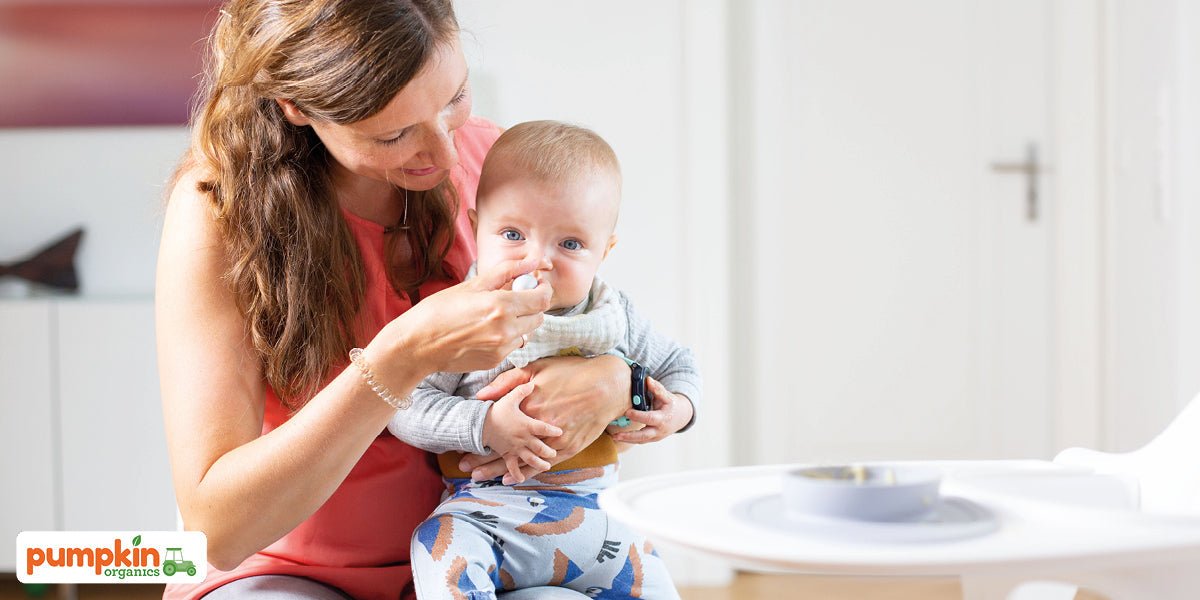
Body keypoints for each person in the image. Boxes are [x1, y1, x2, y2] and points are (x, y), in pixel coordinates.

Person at [156, 2, 649, 598]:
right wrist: (402, 354)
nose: (445, 156)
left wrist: (619, 380)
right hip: (284, 569)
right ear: (297, 107)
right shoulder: (219, 210)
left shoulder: (494, 160)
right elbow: (218, 531)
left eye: (455, 99)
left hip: (492, 549)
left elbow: (597, 317)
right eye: (394, 134)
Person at [386, 121, 699, 599]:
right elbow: (404, 405)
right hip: (487, 516)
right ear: (476, 231)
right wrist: (485, 424)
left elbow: (679, 362)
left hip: (600, 520)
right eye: (512, 234)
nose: (539, 260)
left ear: (604, 251)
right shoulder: (463, 315)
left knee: (656, 577)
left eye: (570, 244)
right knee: (436, 545)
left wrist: (678, 410)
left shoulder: (614, 314)